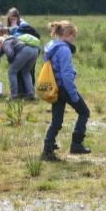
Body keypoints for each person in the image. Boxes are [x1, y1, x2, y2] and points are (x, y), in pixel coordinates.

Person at [41, 21, 91, 161]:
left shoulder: (52, 46)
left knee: (56, 121)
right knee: (84, 112)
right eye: (73, 36)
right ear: (68, 34)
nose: (74, 39)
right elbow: (67, 75)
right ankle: (76, 144)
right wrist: (73, 94)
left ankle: (47, 150)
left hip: (55, 87)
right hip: (65, 87)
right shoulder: (64, 50)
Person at [0, 35, 39, 100]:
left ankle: (14, 95)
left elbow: (10, 54)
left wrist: (10, 62)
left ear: (0, 44)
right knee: (26, 72)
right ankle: (31, 94)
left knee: (12, 72)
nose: (0, 50)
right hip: (35, 51)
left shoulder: (5, 43)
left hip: (26, 51)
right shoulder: (14, 38)